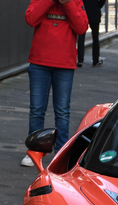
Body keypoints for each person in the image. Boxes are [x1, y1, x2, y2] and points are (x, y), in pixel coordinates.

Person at [22, 0, 88, 167]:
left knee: (62, 111)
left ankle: (61, 154)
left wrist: (67, 3)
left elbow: (81, 27)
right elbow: (30, 18)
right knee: (37, 110)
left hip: (64, 64)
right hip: (39, 62)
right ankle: (34, 152)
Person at [77, 0, 107, 67]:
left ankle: (80, 59)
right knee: (95, 37)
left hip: (83, 11)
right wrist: (97, 6)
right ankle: (95, 60)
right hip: (94, 11)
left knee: (81, 36)